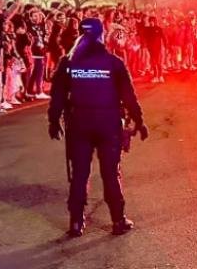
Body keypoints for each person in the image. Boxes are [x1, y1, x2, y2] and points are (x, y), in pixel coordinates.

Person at [48, 17, 148, 238]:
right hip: (108, 124)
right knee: (111, 173)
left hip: (79, 124)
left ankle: (76, 222)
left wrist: (53, 121)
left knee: (80, 174)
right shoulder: (113, 62)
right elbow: (128, 95)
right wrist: (139, 120)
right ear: (102, 35)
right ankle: (118, 220)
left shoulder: (68, 62)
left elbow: (57, 96)